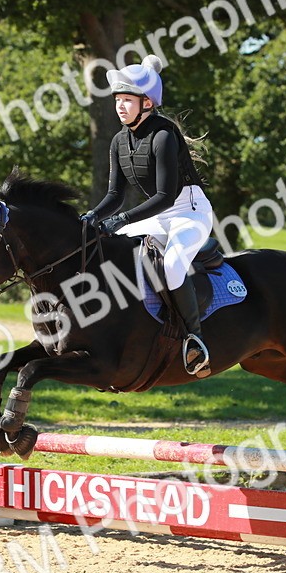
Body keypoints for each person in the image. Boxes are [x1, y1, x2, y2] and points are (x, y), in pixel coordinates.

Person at [82, 55, 215, 377]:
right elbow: (114, 196)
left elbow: (166, 196)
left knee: (171, 266)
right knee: (107, 244)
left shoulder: (164, 135)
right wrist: (92, 217)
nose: (120, 107)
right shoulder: (118, 140)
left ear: (146, 102)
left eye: (127, 100)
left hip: (189, 212)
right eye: (118, 100)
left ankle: (194, 338)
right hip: (158, 214)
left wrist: (123, 219)